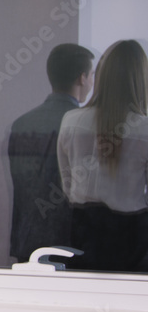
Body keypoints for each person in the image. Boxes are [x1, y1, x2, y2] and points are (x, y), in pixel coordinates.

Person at [57, 39, 148, 272]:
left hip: (82, 233)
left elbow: (67, 186)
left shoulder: (72, 121)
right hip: (133, 239)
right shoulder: (144, 129)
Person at [8, 43, 94, 262]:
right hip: (70, 243)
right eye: (91, 74)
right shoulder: (85, 126)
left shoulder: (21, 124)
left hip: (27, 241)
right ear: (82, 78)